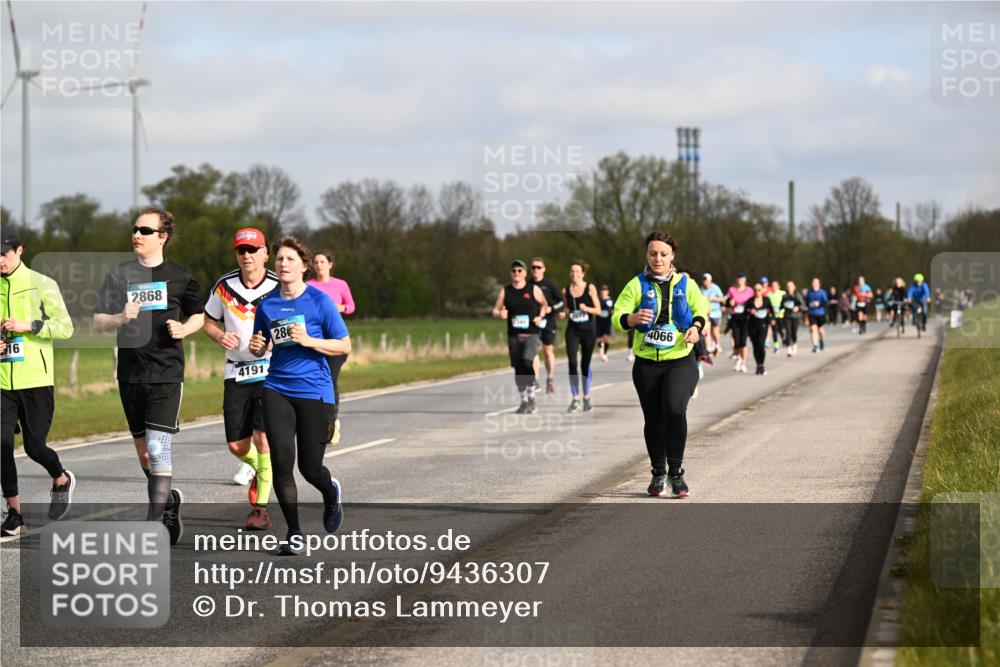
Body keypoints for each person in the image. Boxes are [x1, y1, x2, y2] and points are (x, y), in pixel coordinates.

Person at [93, 207, 205, 546]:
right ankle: (168, 501)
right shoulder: (120, 275)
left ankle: (151, 526)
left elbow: (199, 315)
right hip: (130, 375)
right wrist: (120, 318)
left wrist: (184, 328)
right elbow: (98, 321)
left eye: (145, 230)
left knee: (158, 450)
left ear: (163, 237)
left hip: (166, 374)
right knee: (145, 454)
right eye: (135, 229)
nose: (136, 235)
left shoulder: (180, 276)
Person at [249, 237, 350, 555]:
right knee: (281, 463)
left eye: (290, 259)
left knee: (310, 468)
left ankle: (330, 492)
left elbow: (344, 344)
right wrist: (256, 347)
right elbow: (261, 345)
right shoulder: (267, 305)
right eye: (279, 259)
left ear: (304, 266)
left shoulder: (320, 302)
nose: (283, 264)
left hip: (314, 391)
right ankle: (294, 533)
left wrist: (309, 340)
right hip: (276, 387)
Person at [612, 231, 709, 498]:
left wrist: (696, 327)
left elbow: (701, 309)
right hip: (647, 364)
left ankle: (676, 474)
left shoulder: (685, 283)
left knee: (674, 410)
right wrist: (631, 319)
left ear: (672, 256)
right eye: (653, 253)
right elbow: (617, 315)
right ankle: (658, 472)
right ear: (647, 255)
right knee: (653, 419)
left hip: (680, 360)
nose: (658, 259)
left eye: (663, 254)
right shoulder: (636, 284)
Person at [1, 228, 76, 537]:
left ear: (20, 250)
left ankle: (61, 478)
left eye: (4, 253)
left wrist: (29, 325)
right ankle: (15, 514)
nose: (0, 260)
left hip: (36, 380)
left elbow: (66, 328)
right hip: (3, 382)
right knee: (2, 445)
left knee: (34, 447)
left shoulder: (42, 284)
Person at [203, 228, 278, 531]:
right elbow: (207, 320)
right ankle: (261, 469)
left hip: (270, 370)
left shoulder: (278, 286)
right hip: (236, 371)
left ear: (265, 253)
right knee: (236, 445)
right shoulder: (224, 286)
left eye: (253, 249)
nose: (246, 255)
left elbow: (293, 323)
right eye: (241, 250)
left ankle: (260, 509)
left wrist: (272, 343)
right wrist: (219, 335)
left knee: (263, 438)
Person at [307, 250, 355, 447]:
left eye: (322, 261)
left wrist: (339, 308)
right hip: (315, 341)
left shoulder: (340, 284)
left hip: (336, 341)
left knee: (330, 380)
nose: (318, 265)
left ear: (330, 264)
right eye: (316, 262)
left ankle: (332, 422)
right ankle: (319, 420)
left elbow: (351, 306)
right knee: (315, 382)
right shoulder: (309, 285)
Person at [491, 260, 548, 414]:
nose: (516, 273)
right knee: (518, 368)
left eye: (519, 270)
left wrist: (541, 316)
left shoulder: (533, 289)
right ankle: (524, 401)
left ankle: (532, 398)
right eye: (514, 271)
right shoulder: (505, 291)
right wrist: (499, 314)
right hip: (514, 335)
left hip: (531, 333)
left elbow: (544, 304)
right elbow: (495, 310)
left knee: (527, 360)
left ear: (525, 273)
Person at [559, 261, 601, 413]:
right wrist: (563, 313)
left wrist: (586, 308)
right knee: (572, 362)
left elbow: (598, 310)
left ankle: (587, 397)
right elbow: (566, 309)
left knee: (584, 365)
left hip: (588, 330)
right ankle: (575, 398)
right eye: (572, 271)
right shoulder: (566, 290)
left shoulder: (590, 288)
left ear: (583, 273)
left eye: (577, 271)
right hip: (573, 330)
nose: (574, 274)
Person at [529, 258, 563, 394]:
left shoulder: (549, 284)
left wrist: (551, 308)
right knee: (533, 350)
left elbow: (561, 302)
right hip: (534, 321)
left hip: (549, 321)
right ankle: (535, 380)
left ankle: (550, 378)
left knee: (548, 350)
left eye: (538, 267)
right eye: (533, 267)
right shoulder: (528, 285)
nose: (536, 270)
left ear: (543, 269)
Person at [725, 273, 754, 373]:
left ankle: (743, 362)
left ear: (745, 280)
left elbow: (753, 302)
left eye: (742, 279)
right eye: (738, 279)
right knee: (736, 341)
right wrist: (730, 302)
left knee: (743, 341)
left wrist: (751, 308)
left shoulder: (749, 290)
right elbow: (726, 302)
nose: (740, 280)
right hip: (735, 317)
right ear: (736, 280)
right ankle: (739, 359)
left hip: (746, 318)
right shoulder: (732, 290)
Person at [746, 283, 775, 375]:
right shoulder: (750, 301)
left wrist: (773, 319)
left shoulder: (766, 300)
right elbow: (745, 312)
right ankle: (758, 365)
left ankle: (762, 365)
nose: (757, 292)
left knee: (761, 344)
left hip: (763, 325)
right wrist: (750, 311)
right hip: (752, 326)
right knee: (755, 346)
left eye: (759, 290)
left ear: (762, 290)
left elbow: (772, 310)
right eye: (755, 290)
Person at [700, 273, 725, 357]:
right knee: (708, 332)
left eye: (706, 280)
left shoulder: (715, 287)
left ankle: (717, 346)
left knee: (715, 332)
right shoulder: (701, 288)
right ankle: (710, 350)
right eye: (703, 280)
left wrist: (713, 299)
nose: (704, 281)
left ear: (710, 280)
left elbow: (722, 298)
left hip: (716, 313)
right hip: (706, 313)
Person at [805, 278, 829, 353]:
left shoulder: (822, 292)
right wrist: (806, 316)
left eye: (816, 283)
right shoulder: (809, 292)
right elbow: (806, 304)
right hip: (811, 313)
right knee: (813, 329)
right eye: (813, 283)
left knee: (821, 331)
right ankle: (815, 345)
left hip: (820, 313)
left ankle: (821, 339)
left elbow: (826, 303)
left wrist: (819, 304)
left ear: (819, 284)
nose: (814, 284)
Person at [781, 281, 803, 356]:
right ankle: (789, 348)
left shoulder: (797, 295)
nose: (790, 288)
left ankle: (794, 344)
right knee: (788, 332)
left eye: (791, 286)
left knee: (794, 332)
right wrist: (779, 314)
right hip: (787, 316)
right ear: (786, 288)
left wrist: (798, 308)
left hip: (796, 316)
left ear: (794, 287)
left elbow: (803, 305)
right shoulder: (784, 296)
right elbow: (781, 306)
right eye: (788, 286)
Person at [766, 278, 786, 353]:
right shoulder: (769, 295)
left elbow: (785, 304)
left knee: (780, 329)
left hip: (781, 314)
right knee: (774, 330)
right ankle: (776, 346)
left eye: (775, 285)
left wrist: (782, 312)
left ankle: (784, 339)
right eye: (772, 285)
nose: (774, 287)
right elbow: (768, 306)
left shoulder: (783, 293)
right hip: (773, 315)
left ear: (778, 286)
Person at [595, 285, 614, 362]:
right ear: (600, 292)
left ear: (607, 292)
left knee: (606, 338)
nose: (603, 292)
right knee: (598, 340)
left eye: (605, 290)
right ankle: (601, 348)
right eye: (602, 290)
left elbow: (614, 309)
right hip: (599, 321)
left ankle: (605, 353)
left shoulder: (611, 300)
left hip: (607, 322)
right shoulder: (598, 300)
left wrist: (612, 312)